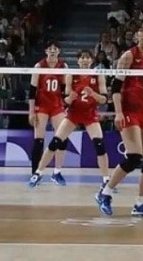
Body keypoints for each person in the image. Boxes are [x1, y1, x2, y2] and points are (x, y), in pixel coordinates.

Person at [96, 21, 143, 217]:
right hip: (130, 110)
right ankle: (105, 193)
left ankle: (141, 203)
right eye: (142, 31)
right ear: (137, 35)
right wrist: (119, 112)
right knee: (134, 157)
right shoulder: (129, 56)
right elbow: (115, 88)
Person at [29, 50, 111, 188]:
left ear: (91, 61)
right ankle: (38, 173)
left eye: (87, 58)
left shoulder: (98, 76)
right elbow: (65, 100)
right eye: (82, 58)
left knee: (99, 146)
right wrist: (70, 98)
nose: (85, 61)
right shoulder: (71, 75)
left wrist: (94, 94)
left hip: (90, 115)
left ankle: (106, 179)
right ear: (78, 61)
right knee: (55, 142)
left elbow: (104, 99)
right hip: (73, 114)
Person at [29, 42, 70, 185]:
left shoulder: (63, 66)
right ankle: (35, 173)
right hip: (42, 106)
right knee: (38, 139)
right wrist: (31, 111)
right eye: (50, 49)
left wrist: (67, 105)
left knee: (62, 138)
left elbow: (65, 88)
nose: (52, 51)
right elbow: (32, 91)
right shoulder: (39, 66)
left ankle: (57, 172)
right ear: (46, 51)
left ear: (59, 51)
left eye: (55, 49)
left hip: (57, 105)